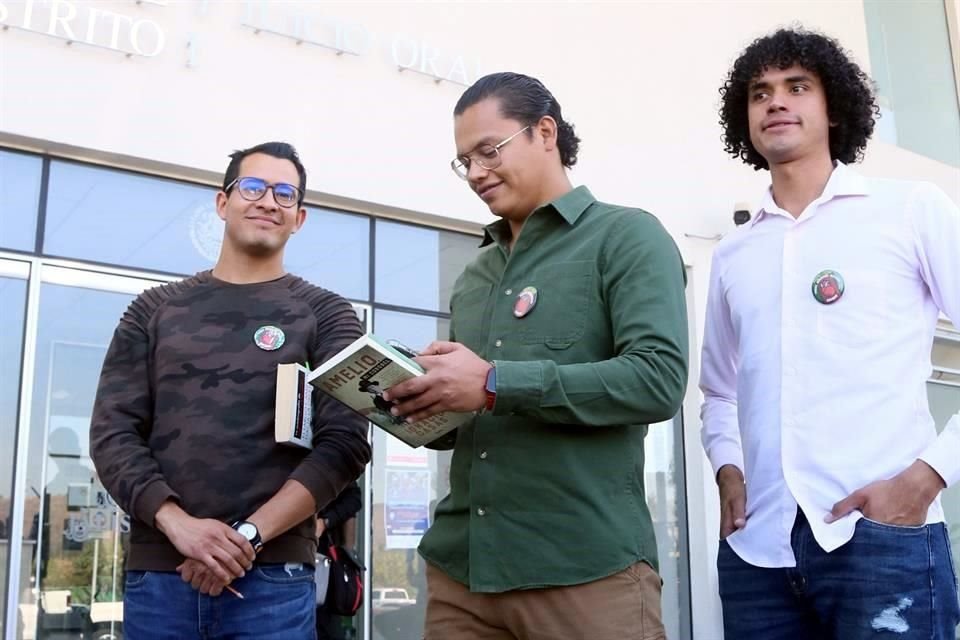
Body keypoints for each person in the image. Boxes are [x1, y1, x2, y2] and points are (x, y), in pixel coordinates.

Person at [384, 72, 688, 640]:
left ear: (545, 133)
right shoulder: (476, 274)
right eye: (464, 161)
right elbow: (475, 415)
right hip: (461, 577)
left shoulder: (627, 237)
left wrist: (494, 383)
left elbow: (657, 380)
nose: (476, 172)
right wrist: (418, 400)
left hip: (585, 572)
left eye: (488, 150)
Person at [701, 27, 960, 639]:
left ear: (834, 106)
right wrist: (728, 470)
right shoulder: (734, 253)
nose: (775, 102)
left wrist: (928, 476)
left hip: (884, 538)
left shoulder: (910, 210)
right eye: (760, 93)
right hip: (758, 553)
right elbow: (719, 390)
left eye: (797, 87)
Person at [90, 141, 371, 639]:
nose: (268, 202)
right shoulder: (152, 311)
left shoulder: (327, 315)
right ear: (223, 203)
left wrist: (248, 537)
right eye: (253, 187)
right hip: (161, 578)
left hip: (275, 582)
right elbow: (113, 434)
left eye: (285, 194)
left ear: (299, 218)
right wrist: (178, 525)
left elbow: (346, 443)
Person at [316, 482, 362, 640]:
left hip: (323, 565)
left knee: (325, 626)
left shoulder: (328, 468)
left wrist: (325, 522)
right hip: (283, 562)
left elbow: (354, 499)